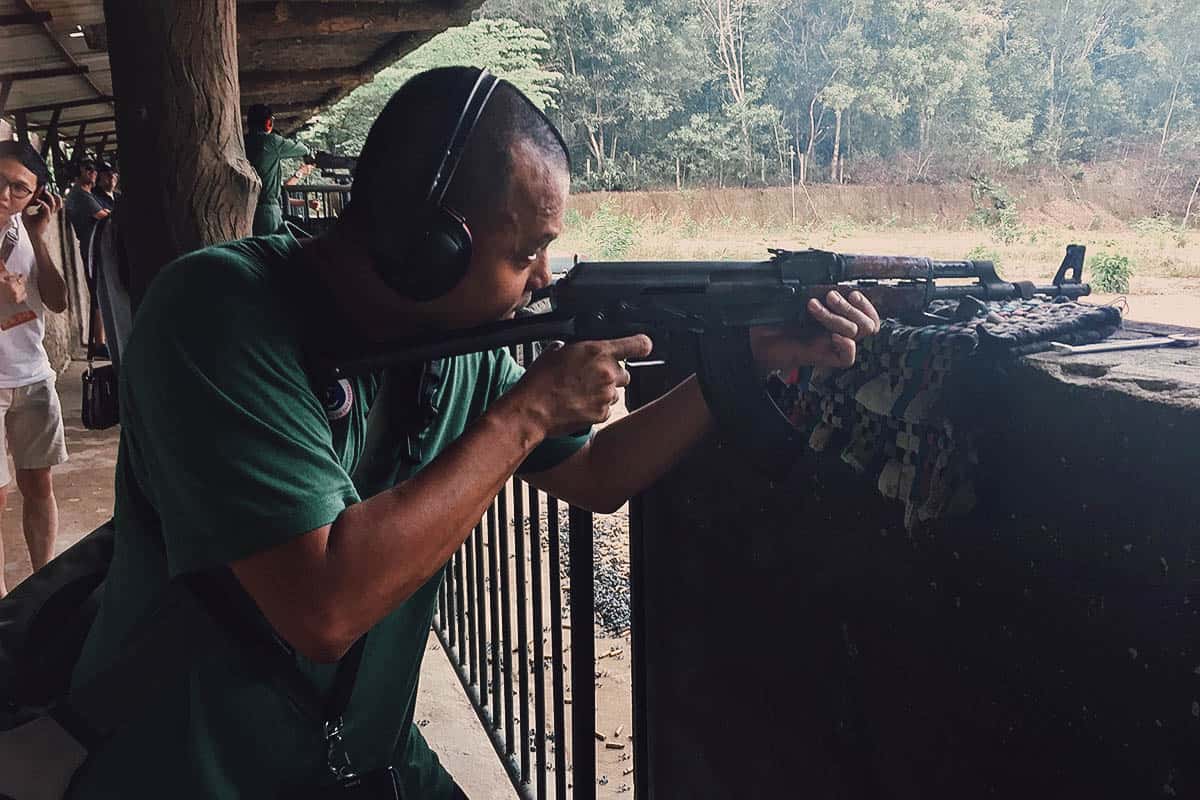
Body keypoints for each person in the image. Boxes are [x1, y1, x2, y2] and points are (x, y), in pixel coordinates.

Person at [69, 68, 880, 797]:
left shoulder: (454, 344)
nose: (543, 281)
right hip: (192, 766)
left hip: (355, 752)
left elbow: (595, 475)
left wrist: (739, 362)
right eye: (526, 251)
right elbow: (321, 607)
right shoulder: (216, 313)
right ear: (426, 248)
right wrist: (527, 411)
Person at [0, 141, 69, 598]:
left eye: (19, 189)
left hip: (32, 376)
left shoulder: (28, 229)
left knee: (38, 484)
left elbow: (59, 301)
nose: (5, 195)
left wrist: (41, 237)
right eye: (0, 182)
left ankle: (44, 588)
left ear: (37, 195)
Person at [244, 103, 314, 235]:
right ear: (269, 123)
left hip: (243, 208)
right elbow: (302, 149)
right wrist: (310, 156)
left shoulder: (243, 141)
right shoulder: (271, 142)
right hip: (266, 210)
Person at [64, 158, 110, 355]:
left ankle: (102, 340)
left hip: (98, 248)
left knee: (103, 292)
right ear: (79, 172)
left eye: (94, 170)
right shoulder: (80, 195)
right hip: (92, 249)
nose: (92, 172)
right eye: (88, 169)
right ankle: (99, 343)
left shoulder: (88, 194)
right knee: (98, 292)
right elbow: (104, 215)